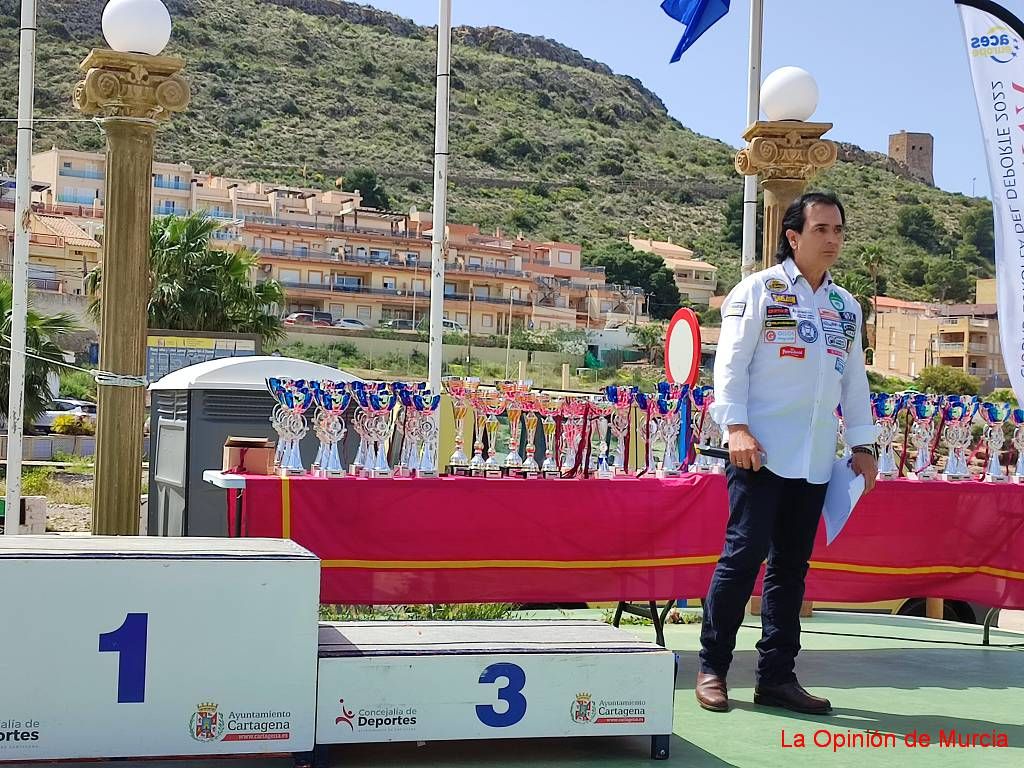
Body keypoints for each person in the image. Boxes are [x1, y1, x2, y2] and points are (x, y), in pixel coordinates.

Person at [696, 191, 878, 715]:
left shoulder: (846, 306)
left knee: (791, 570)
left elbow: (854, 383)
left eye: (839, 230)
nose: (833, 239)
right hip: (759, 453)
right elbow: (729, 366)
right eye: (821, 229)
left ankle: (776, 676)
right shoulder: (757, 291)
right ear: (793, 236)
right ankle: (712, 666)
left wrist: (863, 444)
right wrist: (735, 427)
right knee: (743, 556)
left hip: (815, 458)